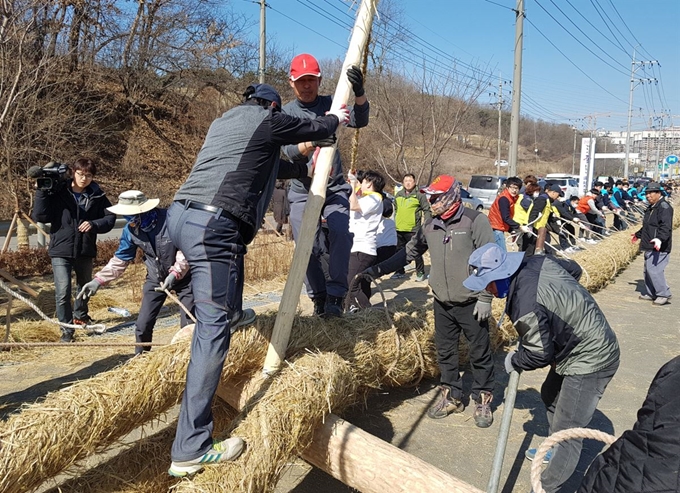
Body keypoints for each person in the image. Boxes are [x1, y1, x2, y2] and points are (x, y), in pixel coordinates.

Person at [165, 83, 348, 477]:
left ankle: (230, 313)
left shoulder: (224, 124)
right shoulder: (266, 119)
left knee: (229, 276)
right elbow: (313, 128)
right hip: (212, 223)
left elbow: (275, 165)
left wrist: (302, 169)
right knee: (211, 332)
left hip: (181, 217)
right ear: (270, 106)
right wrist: (336, 120)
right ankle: (190, 447)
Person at [463, 243, 620, 493]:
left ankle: (546, 486)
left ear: (504, 274)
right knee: (549, 394)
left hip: (591, 357)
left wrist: (514, 360)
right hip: (573, 346)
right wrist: (562, 313)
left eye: (489, 282)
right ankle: (553, 447)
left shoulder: (525, 302)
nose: (488, 290)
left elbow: (538, 353)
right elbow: (575, 270)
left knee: (569, 431)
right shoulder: (537, 261)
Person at [363, 175, 496, 428]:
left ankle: (482, 397)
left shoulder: (474, 221)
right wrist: (377, 270)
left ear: (451, 196)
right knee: (445, 352)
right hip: (442, 302)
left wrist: (485, 298)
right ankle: (452, 396)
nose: (431, 201)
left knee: (480, 352)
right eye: (430, 197)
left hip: (471, 302)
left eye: (436, 197)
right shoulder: (430, 225)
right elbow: (409, 253)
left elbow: (491, 260)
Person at [282, 53, 370, 317]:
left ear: (319, 80)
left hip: (334, 189)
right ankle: (318, 296)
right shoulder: (286, 113)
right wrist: (314, 141)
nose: (307, 86)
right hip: (302, 190)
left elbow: (360, 120)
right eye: (301, 81)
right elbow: (287, 152)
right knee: (305, 245)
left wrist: (359, 93)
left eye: (312, 80)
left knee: (341, 232)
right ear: (291, 82)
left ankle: (335, 294)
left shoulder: (332, 103)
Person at [77, 191, 214, 355]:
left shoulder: (171, 220)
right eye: (126, 216)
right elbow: (120, 259)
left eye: (132, 215)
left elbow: (185, 251)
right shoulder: (131, 231)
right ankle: (141, 358)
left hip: (185, 279)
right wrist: (98, 280)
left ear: (144, 210)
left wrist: (175, 273)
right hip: (156, 280)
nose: (130, 220)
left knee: (188, 325)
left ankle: (189, 359)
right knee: (143, 325)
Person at [32, 157, 116, 342]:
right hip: (61, 249)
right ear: (73, 173)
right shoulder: (59, 192)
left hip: (85, 249)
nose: (84, 179)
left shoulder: (97, 195)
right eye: (80, 174)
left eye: (88, 175)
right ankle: (67, 330)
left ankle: (80, 316)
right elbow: (40, 215)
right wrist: (42, 192)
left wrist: (94, 224)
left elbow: (110, 219)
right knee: (63, 291)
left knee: (84, 286)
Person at [577, 355, 680, 493]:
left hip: (616, 475)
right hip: (625, 472)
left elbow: (646, 417)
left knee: (568, 420)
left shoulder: (675, 366)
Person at [346, 170, 385, 311]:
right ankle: (354, 309)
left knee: (351, 283)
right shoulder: (366, 197)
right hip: (355, 246)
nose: (361, 183)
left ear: (369, 184)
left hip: (363, 249)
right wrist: (353, 181)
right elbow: (353, 196)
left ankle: (368, 311)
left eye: (363, 181)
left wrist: (352, 183)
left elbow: (354, 205)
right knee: (359, 284)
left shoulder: (375, 199)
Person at [632, 182, 673, 306]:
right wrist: (638, 234)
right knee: (647, 270)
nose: (648, 196)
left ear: (658, 193)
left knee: (655, 270)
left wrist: (660, 239)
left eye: (651, 193)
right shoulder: (651, 207)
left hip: (659, 245)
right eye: (646, 193)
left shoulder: (664, 207)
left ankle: (663, 294)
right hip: (649, 243)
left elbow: (666, 227)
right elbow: (648, 225)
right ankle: (651, 293)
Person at [392, 173, 431, 280]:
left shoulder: (419, 195)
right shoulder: (398, 195)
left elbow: (427, 210)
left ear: (414, 182)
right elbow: (396, 209)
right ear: (403, 183)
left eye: (410, 181)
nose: (408, 183)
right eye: (406, 181)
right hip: (399, 228)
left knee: (416, 251)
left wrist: (427, 224)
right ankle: (399, 271)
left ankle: (420, 272)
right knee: (399, 252)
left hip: (413, 229)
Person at [488, 176, 522, 251]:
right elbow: (505, 217)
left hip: (499, 227)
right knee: (502, 253)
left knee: (497, 253)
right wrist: (519, 227)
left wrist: (511, 229)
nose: (514, 190)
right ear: (507, 187)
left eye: (516, 188)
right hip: (496, 228)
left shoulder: (511, 198)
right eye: (512, 187)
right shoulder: (504, 199)